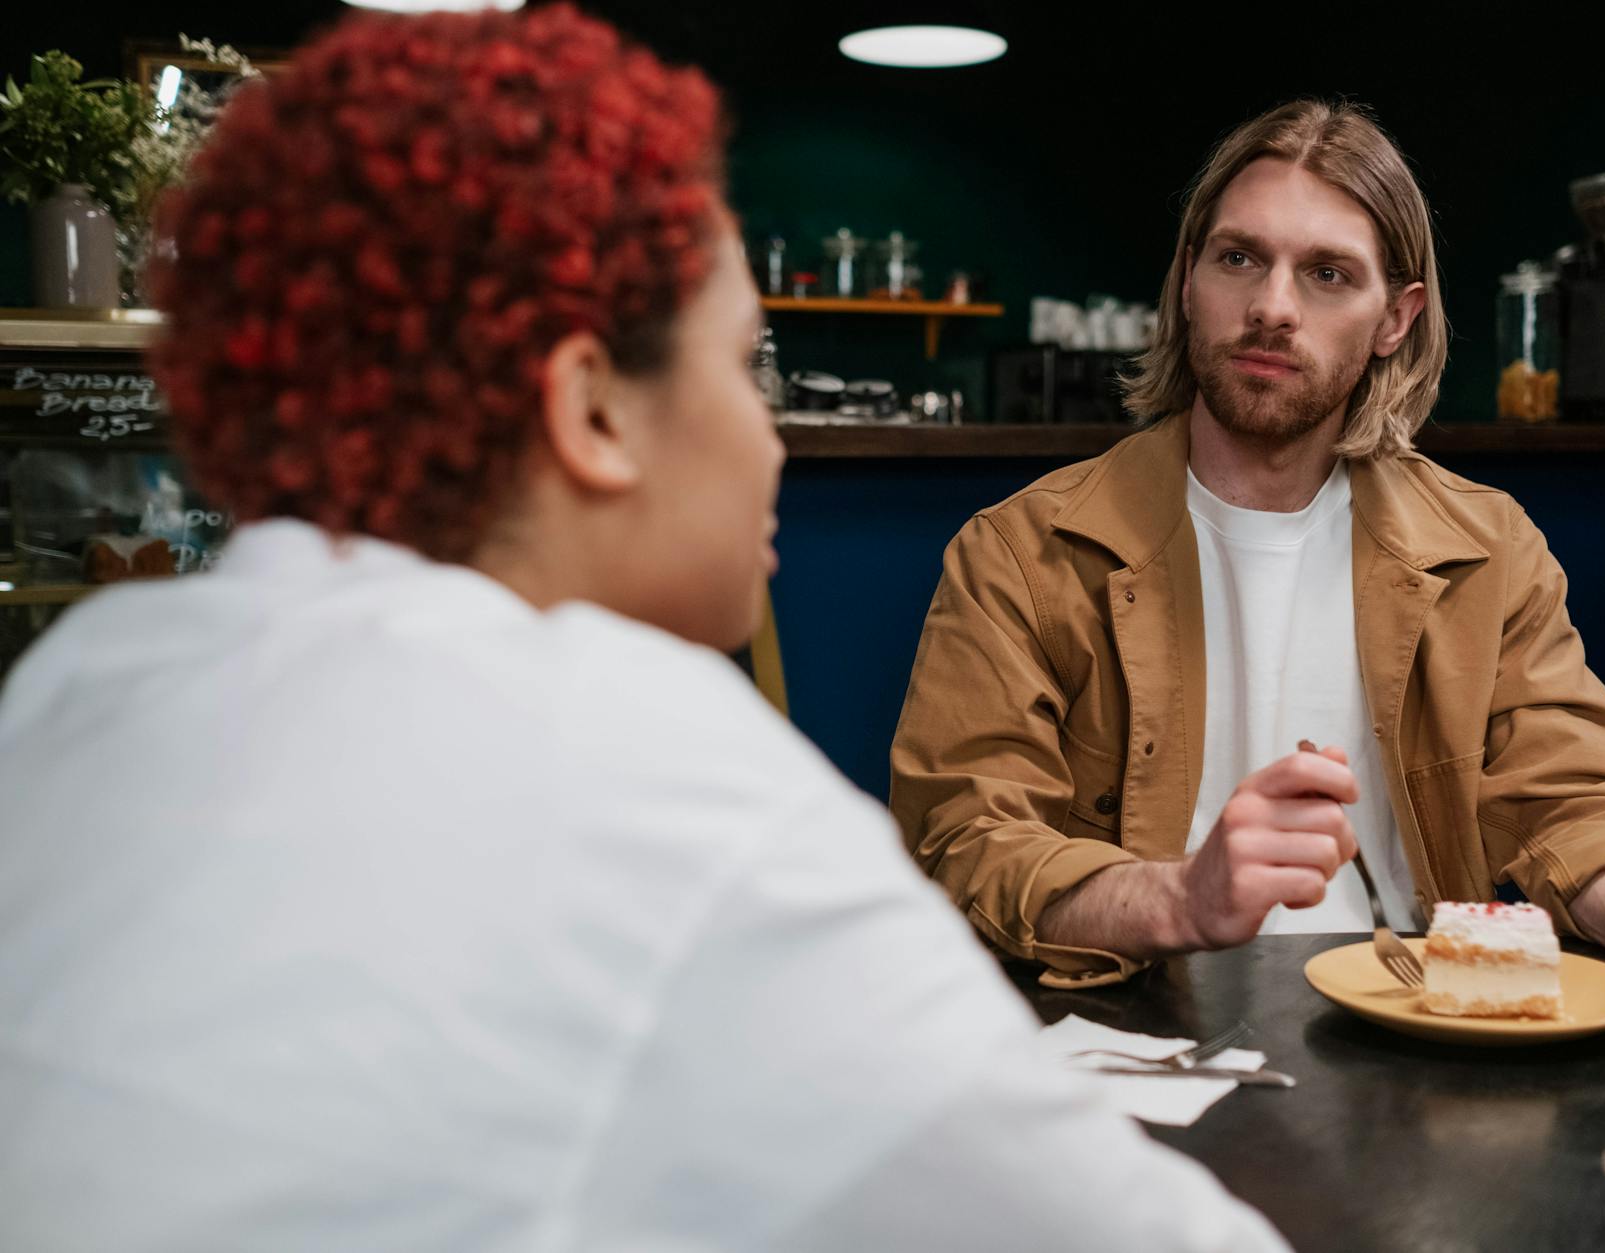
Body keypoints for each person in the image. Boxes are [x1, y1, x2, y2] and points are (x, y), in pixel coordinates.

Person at [0, 9, 1286, 1248]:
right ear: (593, 411)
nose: (768, 431)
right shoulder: (658, 773)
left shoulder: (86, 681)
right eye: (741, 365)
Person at [890, 100, 1605, 1057]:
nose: (1273, 304)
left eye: (1328, 273)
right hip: (1127, 1048)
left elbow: (1578, 803)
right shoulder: (1020, 550)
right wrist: (1182, 895)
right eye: (1238, 258)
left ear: (1396, 317)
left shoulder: (1486, 550)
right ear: (1187, 283)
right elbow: (964, 842)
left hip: (1409, 1052)